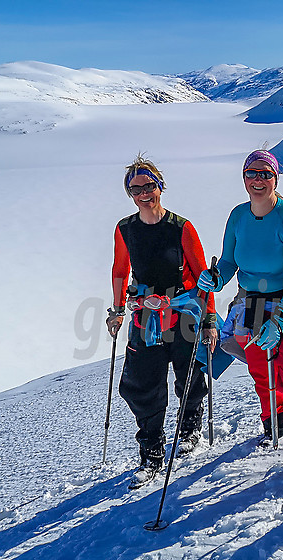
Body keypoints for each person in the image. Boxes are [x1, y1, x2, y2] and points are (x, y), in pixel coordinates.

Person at [198, 150, 283, 478]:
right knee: (259, 368)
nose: (258, 180)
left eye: (265, 174)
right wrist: (216, 279)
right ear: (243, 178)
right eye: (251, 174)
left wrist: (281, 319)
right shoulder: (238, 216)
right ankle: (276, 419)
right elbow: (229, 261)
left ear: (276, 179)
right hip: (251, 303)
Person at [107, 155, 218, 489]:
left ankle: (189, 426)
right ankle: (151, 450)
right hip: (145, 316)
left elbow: (202, 276)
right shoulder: (125, 229)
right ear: (129, 192)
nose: (143, 193)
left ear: (160, 187)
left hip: (182, 312)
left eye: (149, 186)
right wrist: (116, 311)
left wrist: (210, 317)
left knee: (189, 374)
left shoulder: (181, 228)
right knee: (142, 383)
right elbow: (119, 270)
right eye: (136, 188)